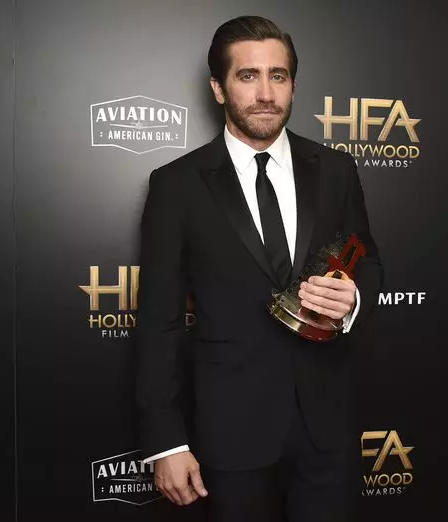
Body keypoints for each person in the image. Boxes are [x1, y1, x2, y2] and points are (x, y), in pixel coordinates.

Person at [135, 15, 382, 522]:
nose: (266, 93)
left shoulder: (336, 171)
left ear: (293, 84)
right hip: (230, 432)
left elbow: (369, 261)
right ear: (218, 88)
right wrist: (166, 442)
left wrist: (354, 299)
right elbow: (158, 322)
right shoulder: (176, 185)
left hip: (327, 430)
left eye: (278, 75)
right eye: (248, 76)